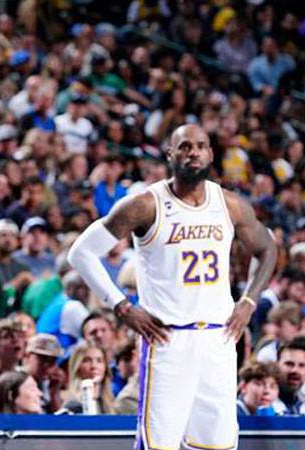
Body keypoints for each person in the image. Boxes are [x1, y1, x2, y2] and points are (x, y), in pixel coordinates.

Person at [68, 124, 277, 449]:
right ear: (170, 154)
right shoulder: (145, 205)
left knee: (217, 444)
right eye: (184, 146)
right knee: (159, 444)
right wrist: (121, 306)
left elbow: (268, 248)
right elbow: (81, 252)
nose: (193, 152)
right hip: (168, 338)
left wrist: (249, 301)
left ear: (211, 153)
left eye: (200, 145)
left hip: (219, 339)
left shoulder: (229, 204)